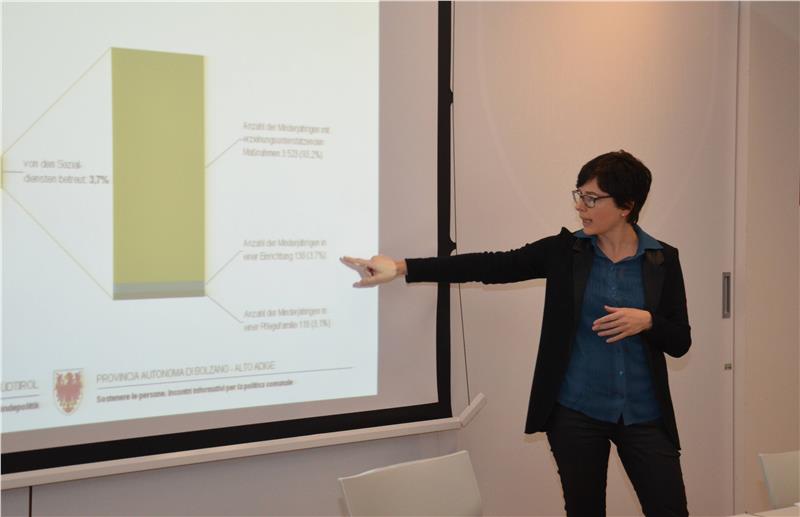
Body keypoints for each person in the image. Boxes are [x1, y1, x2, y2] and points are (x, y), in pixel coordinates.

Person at [341, 150, 690, 517]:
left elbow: (681, 341)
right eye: (579, 195)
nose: (580, 207)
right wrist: (401, 267)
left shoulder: (662, 260)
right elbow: (493, 265)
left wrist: (648, 321)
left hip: (643, 414)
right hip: (576, 414)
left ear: (626, 206)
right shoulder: (565, 252)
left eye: (591, 199)